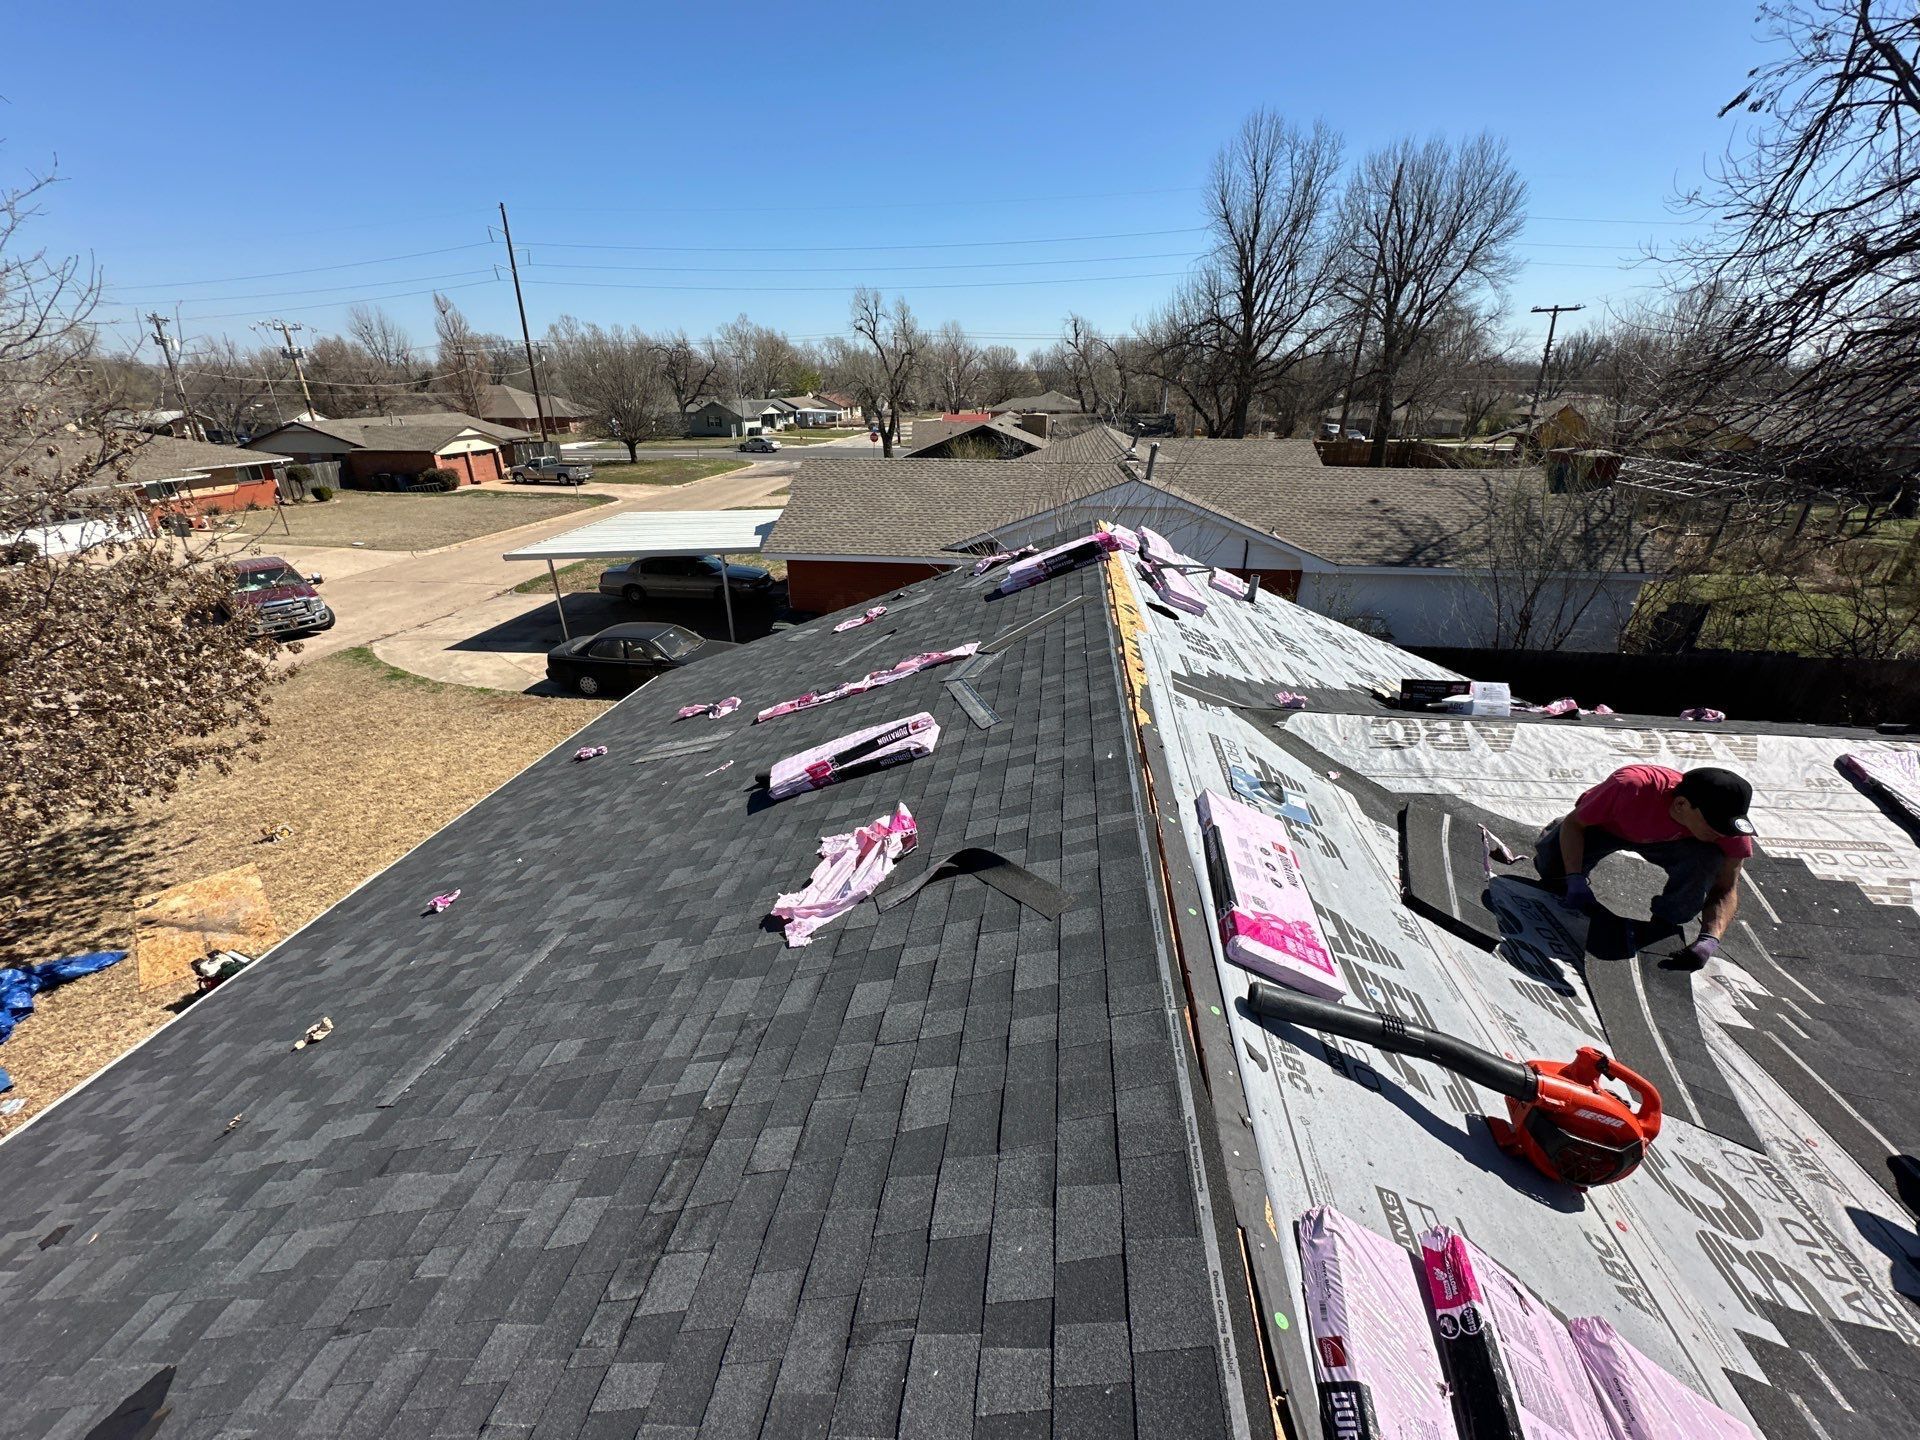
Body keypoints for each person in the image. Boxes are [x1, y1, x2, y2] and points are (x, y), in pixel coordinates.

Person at [1534, 764, 1755, 967]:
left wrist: (1710, 939)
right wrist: (1574, 877)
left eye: (1725, 829)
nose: (1721, 834)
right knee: (1554, 869)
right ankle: (1556, 842)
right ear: (1681, 804)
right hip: (1607, 828)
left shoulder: (1729, 830)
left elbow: (1726, 887)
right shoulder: (1631, 786)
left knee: (1709, 859)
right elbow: (1575, 825)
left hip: (1672, 843)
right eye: (1713, 826)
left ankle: (1667, 920)